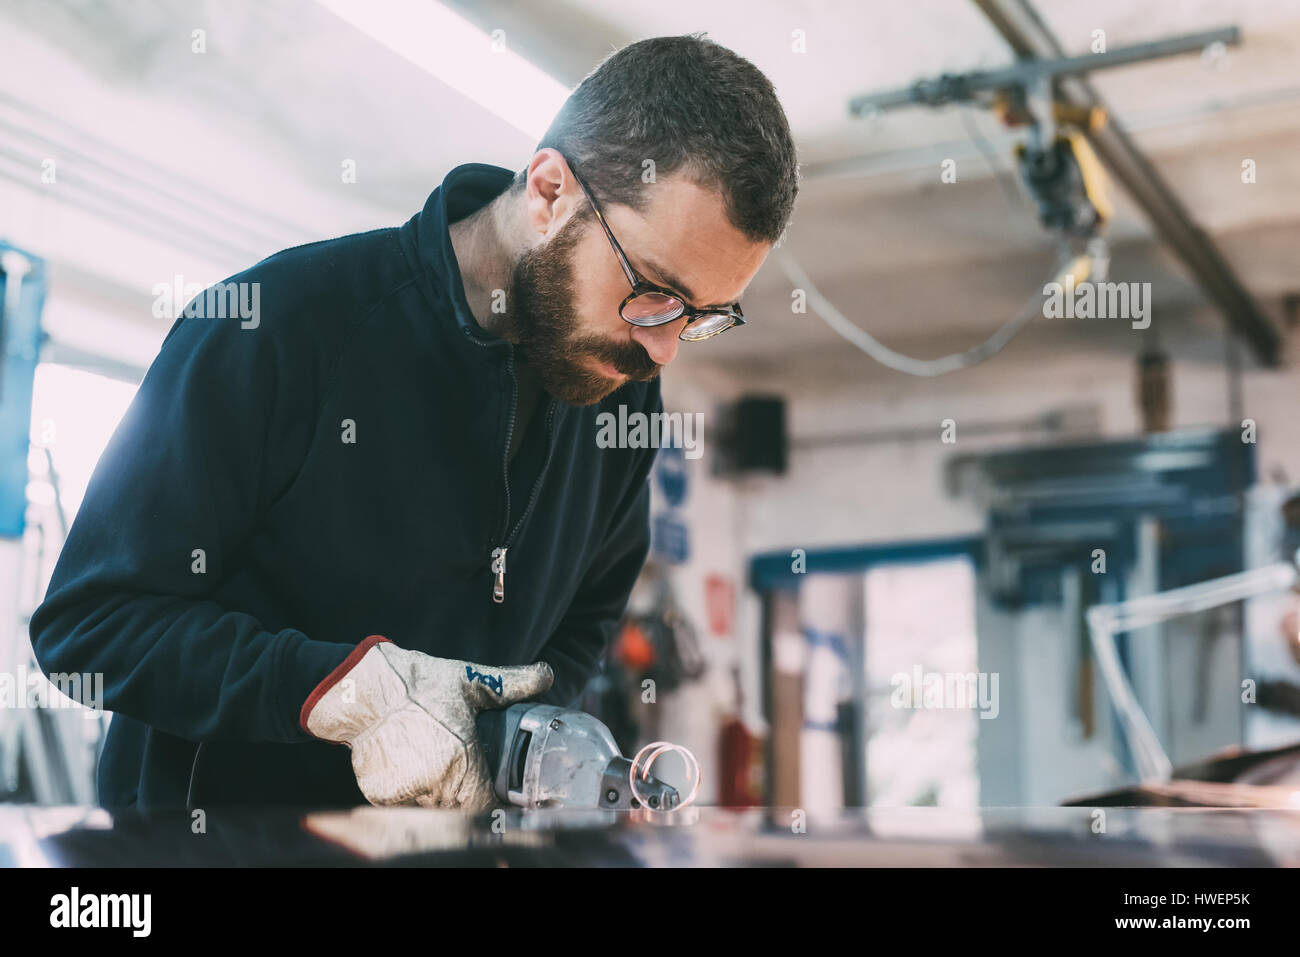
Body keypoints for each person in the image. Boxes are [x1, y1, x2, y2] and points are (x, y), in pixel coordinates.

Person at [30, 33, 798, 810]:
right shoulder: (279, 329)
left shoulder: (620, 400)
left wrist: (519, 730)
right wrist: (342, 692)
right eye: (654, 289)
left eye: (701, 316)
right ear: (548, 192)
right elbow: (91, 625)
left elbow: (583, 622)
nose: (662, 347)